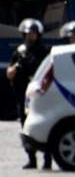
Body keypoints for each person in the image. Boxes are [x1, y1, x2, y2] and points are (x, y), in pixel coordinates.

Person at [7, 19, 51, 169]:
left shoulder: (45, 51)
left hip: (40, 95)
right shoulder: (19, 51)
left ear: (38, 34)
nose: (30, 37)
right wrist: (14, 69)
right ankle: (32, 159)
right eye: (27, 34)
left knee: (45, 126)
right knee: (25, 126)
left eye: (33, 34)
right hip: (23, 95)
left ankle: (48, 160)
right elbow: (9, 72)